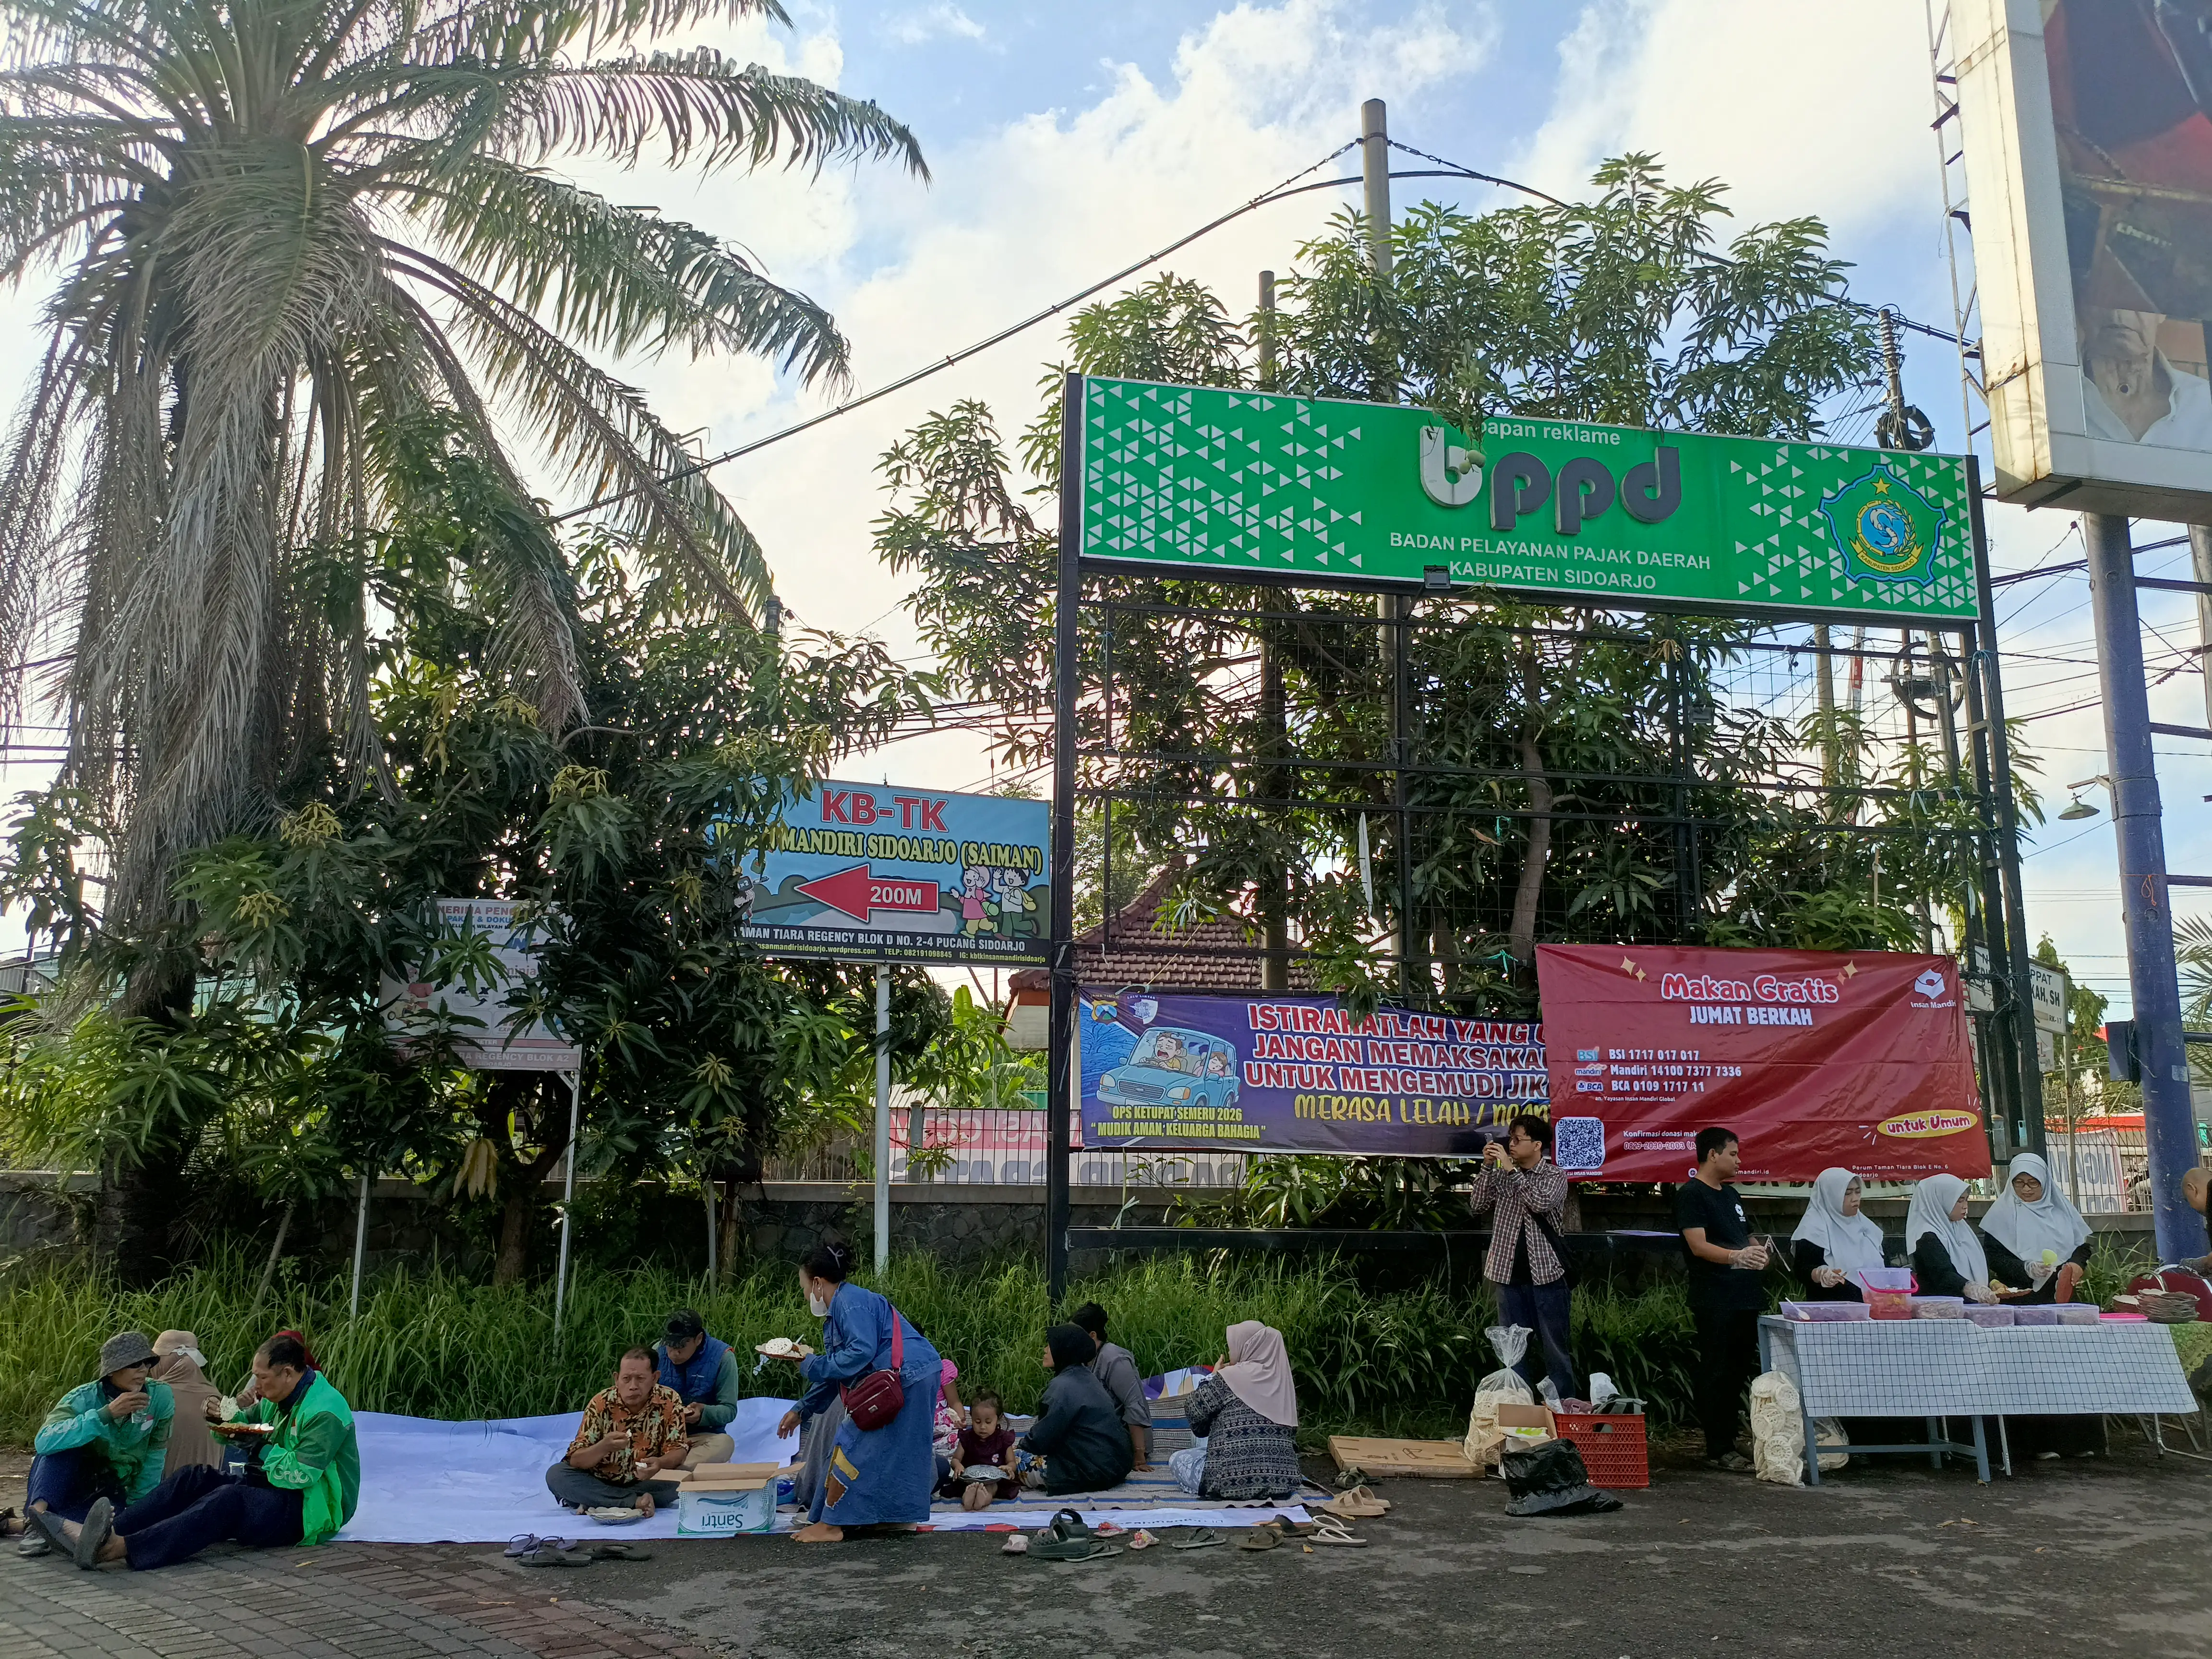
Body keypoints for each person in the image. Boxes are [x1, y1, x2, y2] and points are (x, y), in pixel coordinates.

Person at [48, 1332, 359, 1572]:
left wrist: (259, 1447)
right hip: (271, 1486)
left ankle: (120, 1547)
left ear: (288, 1374)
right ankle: (109, 1532)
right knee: (193, 1477)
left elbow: (302, 1475)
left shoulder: (325, 1412)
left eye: (262, 1378)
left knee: (228, 1500)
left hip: (310, 1510)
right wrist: (223, 1417)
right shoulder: (277, 1396)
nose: (258, 1386)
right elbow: (241, 1428)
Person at [770, 1241, 943, 1543]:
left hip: (905, 1376)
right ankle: (891, 1519)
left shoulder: (849, 1303)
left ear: (817, 1283)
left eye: (803, 1287)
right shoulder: (849, 1302)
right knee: (898, 1452)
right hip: (915, 1373)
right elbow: (840, 1371)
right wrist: (802, 1409)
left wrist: (810, 1363)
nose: (804, 1294)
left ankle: (832, 1524)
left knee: (851, 1443)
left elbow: (858, 1353)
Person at [19, 1331, 173, 1559]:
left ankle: (34, 1525)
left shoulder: (160, 1397)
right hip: (70, 1480)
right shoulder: (82, 1398)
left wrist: (140, 1506)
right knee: (59, 1449)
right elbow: (43, 1442)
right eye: (134, 1364)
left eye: (147, 1363)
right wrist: (105, 1415)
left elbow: (155, 1454)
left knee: (111, 1522)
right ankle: (37, 1520)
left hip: (113, 1487)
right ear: (112, 1370)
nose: (142, 1370)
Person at [1676, 1127, 1770, 1473]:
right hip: (1715, 1297)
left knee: (1737, 1373)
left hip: (1746, 1296)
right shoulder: (1692, 1195)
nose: (1738, 1160)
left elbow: (1747, 1236)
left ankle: (1731, 1440)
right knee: (1717, 1372)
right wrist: (1735, 1258)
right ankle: (1717, 1448)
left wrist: (1759, 1253)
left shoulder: (1732, 1196)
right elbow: (1698, 1246)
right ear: (1712, 1154)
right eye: (1732, 1153)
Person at [1469, 1115, 1577, 1403]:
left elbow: (1541, 1203)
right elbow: (1477, 1205)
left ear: (1538, 1145)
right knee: (1513, 1351)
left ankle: (1564, 1412)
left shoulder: (1555, 1176)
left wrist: (1509, 1170)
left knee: (1555, 1347)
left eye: (1518, 1140)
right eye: (1511, 1139)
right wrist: (1488, 1167)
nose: (1511, 1145)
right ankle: (1520, 1410)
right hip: (1508, 1275)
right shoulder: (1502, 1173)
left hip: (1547, 1276)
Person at [546, 1348, 689, 1516]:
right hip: (598, 1480)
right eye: (626, 1379)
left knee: (683, 1478)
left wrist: (659, 1463)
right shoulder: (600, 1404)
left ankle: (597, 1501)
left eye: (641, 1379)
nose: (633, 1387)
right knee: (556, 1475)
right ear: (616, 1379)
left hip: (643, 1481)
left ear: (654, 1378)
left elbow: (678, 1450)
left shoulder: (670, 1400)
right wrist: (603, 1447)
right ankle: (635, 1502)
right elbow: (576, 1460)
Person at [1171, 1321, 1301, 1501]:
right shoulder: (1284, 1383)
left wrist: (1212, 1377)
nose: (1231, 1352)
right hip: (1282, 1483)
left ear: (1247, 1346)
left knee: (1177, 1459)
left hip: (1229, 1483)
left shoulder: (1227, 1378)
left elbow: (1194, 1412)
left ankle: (1211, 1488)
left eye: (1233, 1346)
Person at [1019, 1324, 1134, 1497]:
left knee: (1014, 1462)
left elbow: (1041, 1438)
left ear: (1064, 1351)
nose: (1045, 1350)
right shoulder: (1088, 1377)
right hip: (1116, 1466)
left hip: (1092, 1471)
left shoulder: (1062, 1387)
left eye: (1050, 1346)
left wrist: (1017, 1450)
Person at [1980, 1155, 2092, 1303]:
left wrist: (2076, 1264)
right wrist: (2026, 1269)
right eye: (2019, 1183)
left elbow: (2081, 1247)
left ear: (2044, 1182)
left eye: (2033, 1183)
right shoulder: (2001, 1215)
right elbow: (1994, 1256)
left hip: (2060, 1296)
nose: (2026, 1189)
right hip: (2019, 1296)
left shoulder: (2060, 1212)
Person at [1069, 1301, 1152, 1470]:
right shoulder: (1084, 1359)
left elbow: (1134, 1405)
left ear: (1092, 1336)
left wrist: (1139, 1456)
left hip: (1121, 1440)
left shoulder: (1114, 1358)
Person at [656, 1309, 741, 1467]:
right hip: (661, 1435)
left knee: (724, 1444)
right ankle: (669, 1466)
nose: (674, 1353)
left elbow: (729, 1410)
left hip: (700, 1437)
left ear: (699, 1339)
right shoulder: (657, 1353)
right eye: (670, 1347)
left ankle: (670, 1468)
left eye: (681, 1347)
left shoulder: (723, 1357)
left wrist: (703, 1413)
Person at [1790, 1168, 1886, 1302]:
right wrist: (1820, 1274)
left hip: (1872, 1307)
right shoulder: (1813, 1228)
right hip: (1831, 1310)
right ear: (1830, 1195)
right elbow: (1802, 1269)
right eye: (1847, 1193)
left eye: (1858, 1192)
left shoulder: (1866, 1227)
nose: (1855, 1199)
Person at [1905, 1174, 1998, 1304]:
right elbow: (1942, 1274)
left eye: (1966, 1200)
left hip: (1970, 1305)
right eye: (1959, 1201)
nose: (1965, 1206)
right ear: (1940, 1200)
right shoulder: (1927, 1236)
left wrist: (1992, 1282)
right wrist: (1969, 1288)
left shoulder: (1959, 1227)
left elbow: (1975, 1261)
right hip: (1941, 1308)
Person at [149, 1331, 225, 1473]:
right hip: (207, 1489)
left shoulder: (155, 1394)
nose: (152, 1366)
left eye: (157, 1358)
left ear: (172, 1358)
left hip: (163, 1490)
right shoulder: (215, 1396)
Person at [937, 1389, 1019, 1511]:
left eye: (988, 1422)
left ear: (999, 1419)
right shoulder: (967, 1438)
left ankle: (985, 1498)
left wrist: (1009, 1468)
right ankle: (968, 1497)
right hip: (969, 1479)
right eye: (978, 1422)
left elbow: (1012, 1462)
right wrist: (958, 1466)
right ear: (972, 1418)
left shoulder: (1004, 1439)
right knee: (968, 1486)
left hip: (995, 1480)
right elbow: (955, 1459)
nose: (983, 1427)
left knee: (992, 1487)